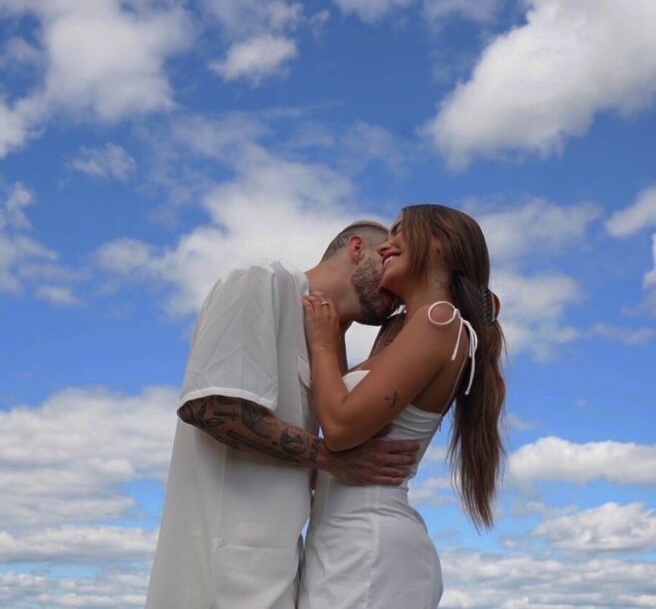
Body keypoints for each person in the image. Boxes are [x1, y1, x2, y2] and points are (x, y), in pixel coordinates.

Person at [144, 220, 420, 609]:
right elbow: (209, 407)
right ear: (357, 248)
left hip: (281, 566)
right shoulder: (261, 280)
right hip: (222, 573)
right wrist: (331, 459)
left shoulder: (324, 342)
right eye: (387, 256)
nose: (395, 282)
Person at [298, 204, 506, 608]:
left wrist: (322, 341)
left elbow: (339, 427)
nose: (386, 245)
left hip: (370, 549)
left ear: (440, 243)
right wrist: (337, 330)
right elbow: (343, 403)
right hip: (340, 543)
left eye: (398, 232)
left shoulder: (440, 320)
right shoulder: (402, 329)